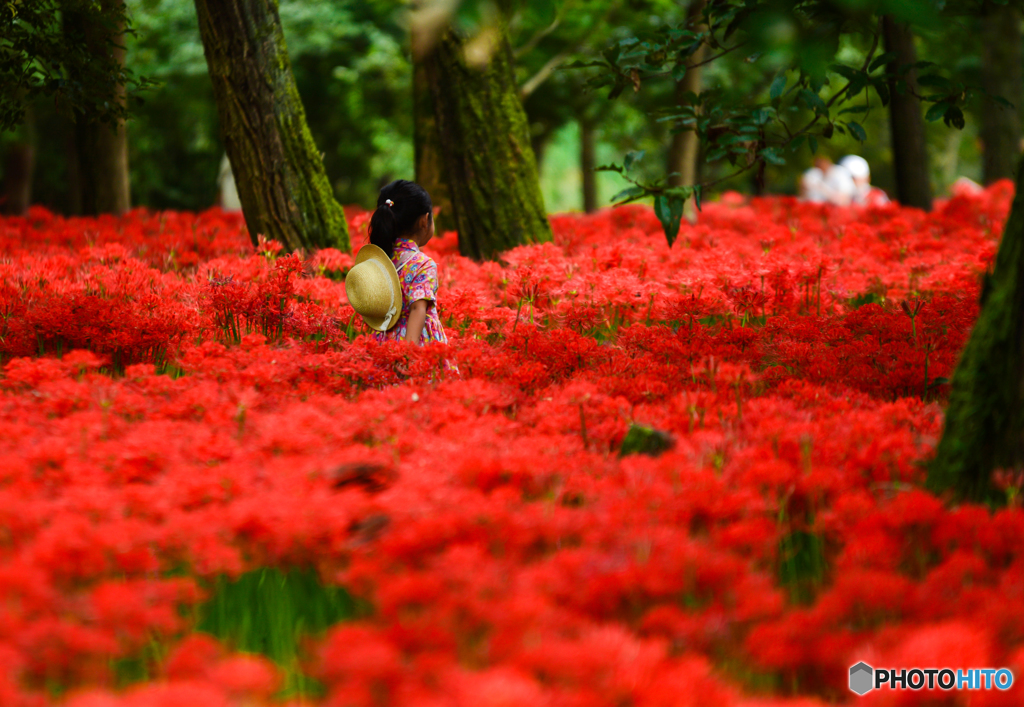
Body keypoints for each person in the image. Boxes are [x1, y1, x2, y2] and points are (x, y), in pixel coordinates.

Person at [347, 179, 451, 350]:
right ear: (425, 220)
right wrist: (408, 353)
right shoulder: (423, 264)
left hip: (384, 343)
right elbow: (418, 308)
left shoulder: (381, 259)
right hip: (414, 344)